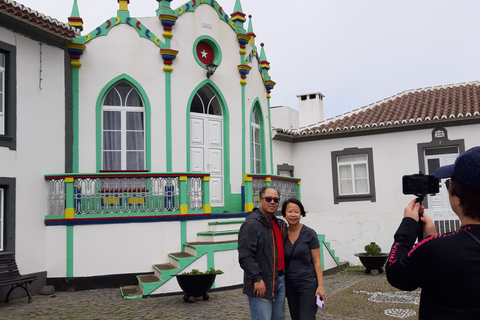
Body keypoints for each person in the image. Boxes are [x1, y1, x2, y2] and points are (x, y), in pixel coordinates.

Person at [386, 146, 480, 319]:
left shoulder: (437, 249)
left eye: (449, 184)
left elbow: (395, 272)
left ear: (458, 199)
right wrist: (431, 239)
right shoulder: (439, 248)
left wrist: (408, 226)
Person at [238, 187, 286, 320]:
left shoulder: (280, 224)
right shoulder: (252, 224)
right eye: (268, 199)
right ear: (260, 201)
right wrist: (257, 278)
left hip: (280, 280)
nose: (272, 202)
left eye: (275, 200)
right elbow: (245, 255)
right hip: (261, 282)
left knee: (279, 317)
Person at [282, 198, 326, 320]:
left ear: (301, 213)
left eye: (296, 211)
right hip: (290, 284)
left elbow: (317, 261)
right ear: (284, 213)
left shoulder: (309, 234)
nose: (293, 215)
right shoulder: (282, 234)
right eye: (290, 211)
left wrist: (320, 286)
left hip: (308, 284)